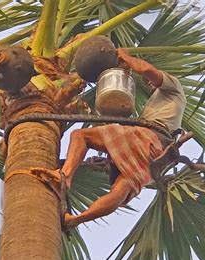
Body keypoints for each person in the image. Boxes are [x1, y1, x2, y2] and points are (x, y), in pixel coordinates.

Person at [62, 48, 186, 228]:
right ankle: (74, 220)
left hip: (148, 138)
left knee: (81, 136)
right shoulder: (161, 104)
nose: (149, 84)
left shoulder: (173, 87)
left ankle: (64, 177)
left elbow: (147, 70)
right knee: (121, 188)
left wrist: (125, 57)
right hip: (156, 157)